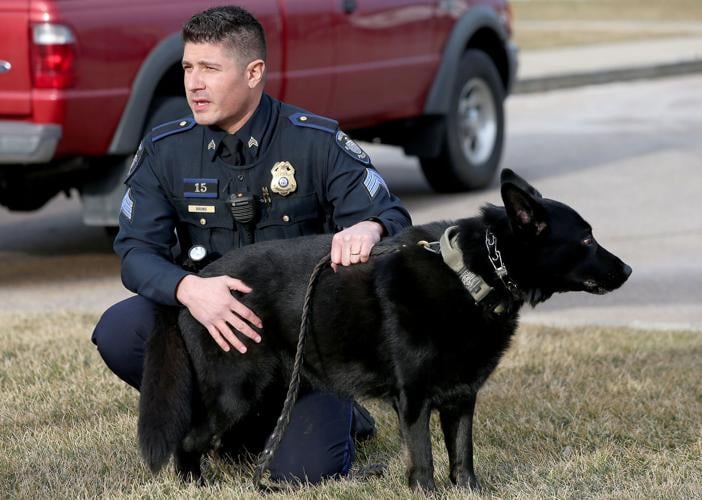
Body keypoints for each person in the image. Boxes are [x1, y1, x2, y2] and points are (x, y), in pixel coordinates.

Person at [91, 5, 411, 484]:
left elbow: (393, 218)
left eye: (210, 69)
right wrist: (188, 290)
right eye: (187, 68)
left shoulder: (314, 142)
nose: (193, 84)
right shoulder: (166, 150)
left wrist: (371, 229)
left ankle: (335, 416)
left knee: (304, 473)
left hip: (303, 346)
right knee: (120, 329)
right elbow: (136, 253)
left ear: (254, 72)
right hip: (212, 324)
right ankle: (227, 419)